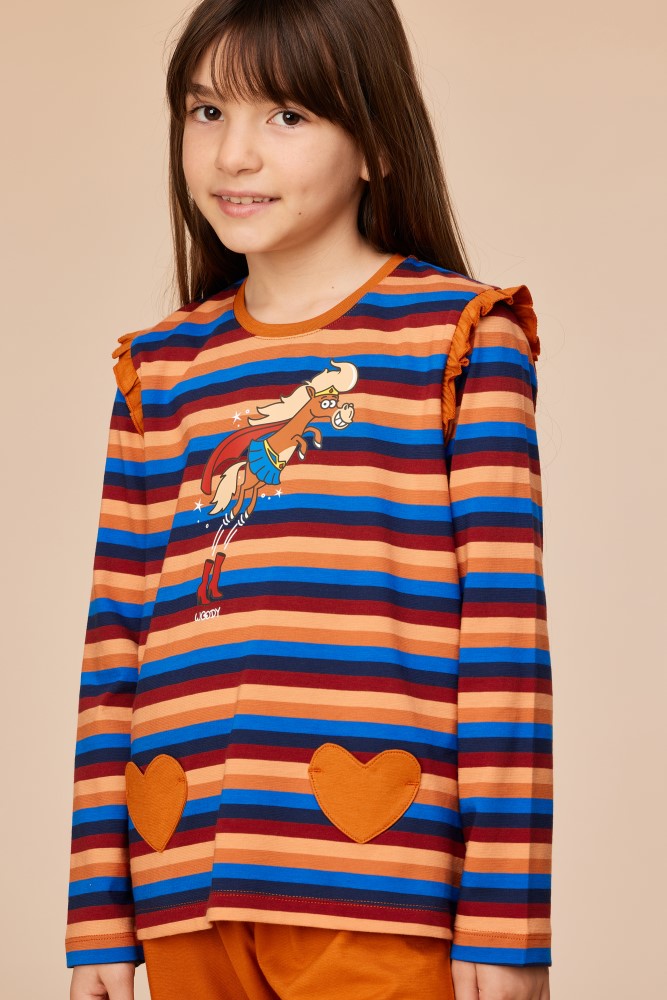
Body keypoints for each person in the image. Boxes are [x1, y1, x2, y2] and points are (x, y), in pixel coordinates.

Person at [65, 1, 553, 998]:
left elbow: (504, 647)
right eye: (207, 111)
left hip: (382, 884)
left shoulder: (460, 341)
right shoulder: (159, 370)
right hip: (179, 879)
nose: (233, 154)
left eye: (285, 115)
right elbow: (115, 648)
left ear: (375, 140)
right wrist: (97, 918)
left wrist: (506, 924)